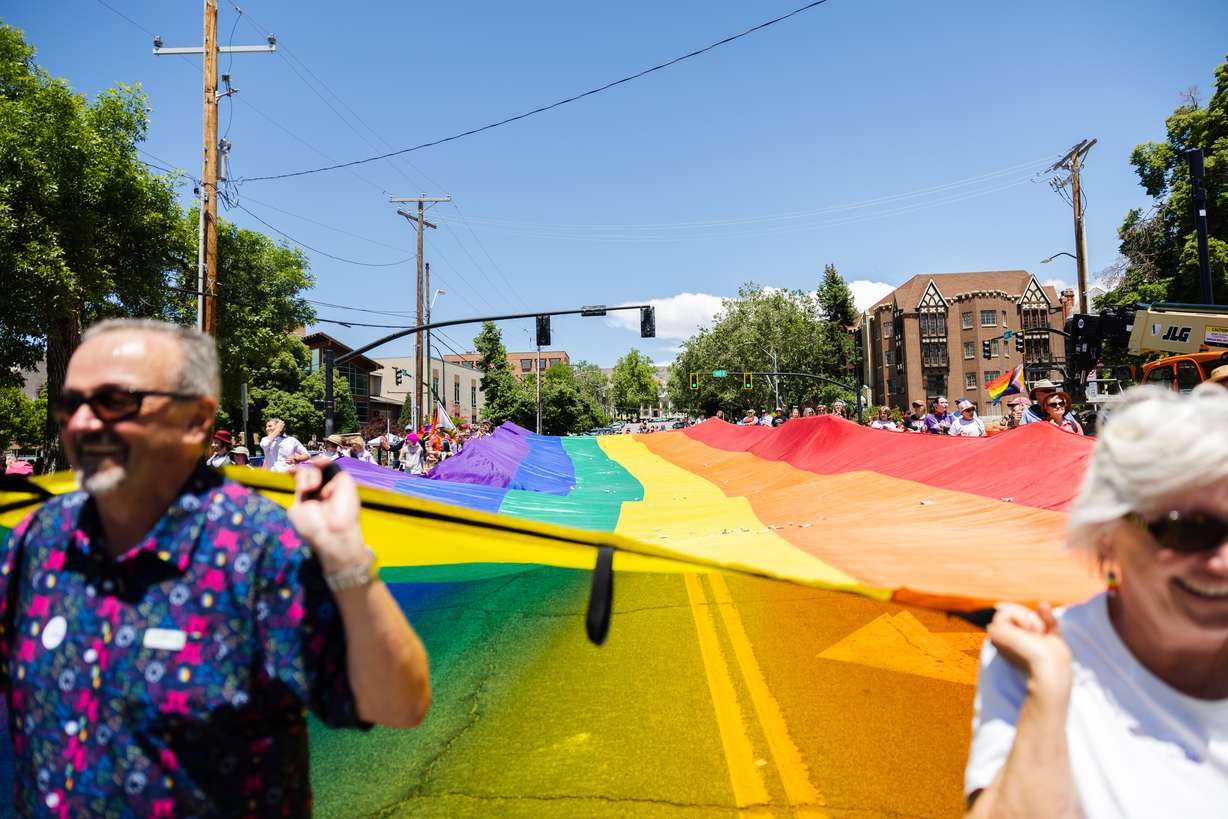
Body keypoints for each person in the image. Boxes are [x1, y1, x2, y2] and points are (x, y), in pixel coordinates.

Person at [0, 319, 430, 814]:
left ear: (196, 420)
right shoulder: (38, 538)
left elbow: (397, 704)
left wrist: (348, 561)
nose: (84, 423)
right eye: (72, 403)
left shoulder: (259, 549)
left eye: (115, 401)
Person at [965, 384, 1228, 818]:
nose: (1222, 563)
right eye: (1189, 530)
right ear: (1108, 531)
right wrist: (1048, 692)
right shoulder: (1030, 659)